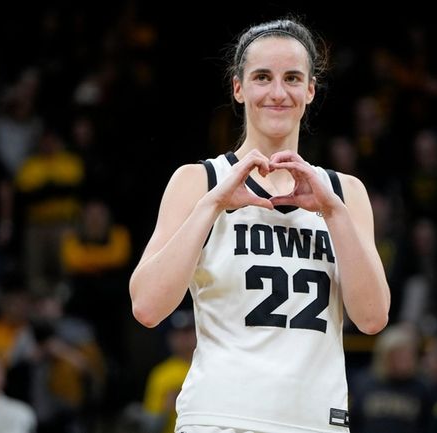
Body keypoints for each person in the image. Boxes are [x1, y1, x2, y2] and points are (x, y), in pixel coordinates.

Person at [128, 16, 391, 433]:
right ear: (238, 87)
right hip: (219, 418)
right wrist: (213, 205)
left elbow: (373, 317)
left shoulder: (345, 192)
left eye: (292, 78)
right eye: (262, 77)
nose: (277, 92)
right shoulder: (198, 181)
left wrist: (333, 212)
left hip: (315, 421)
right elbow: (146, 306)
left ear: (310, 90)